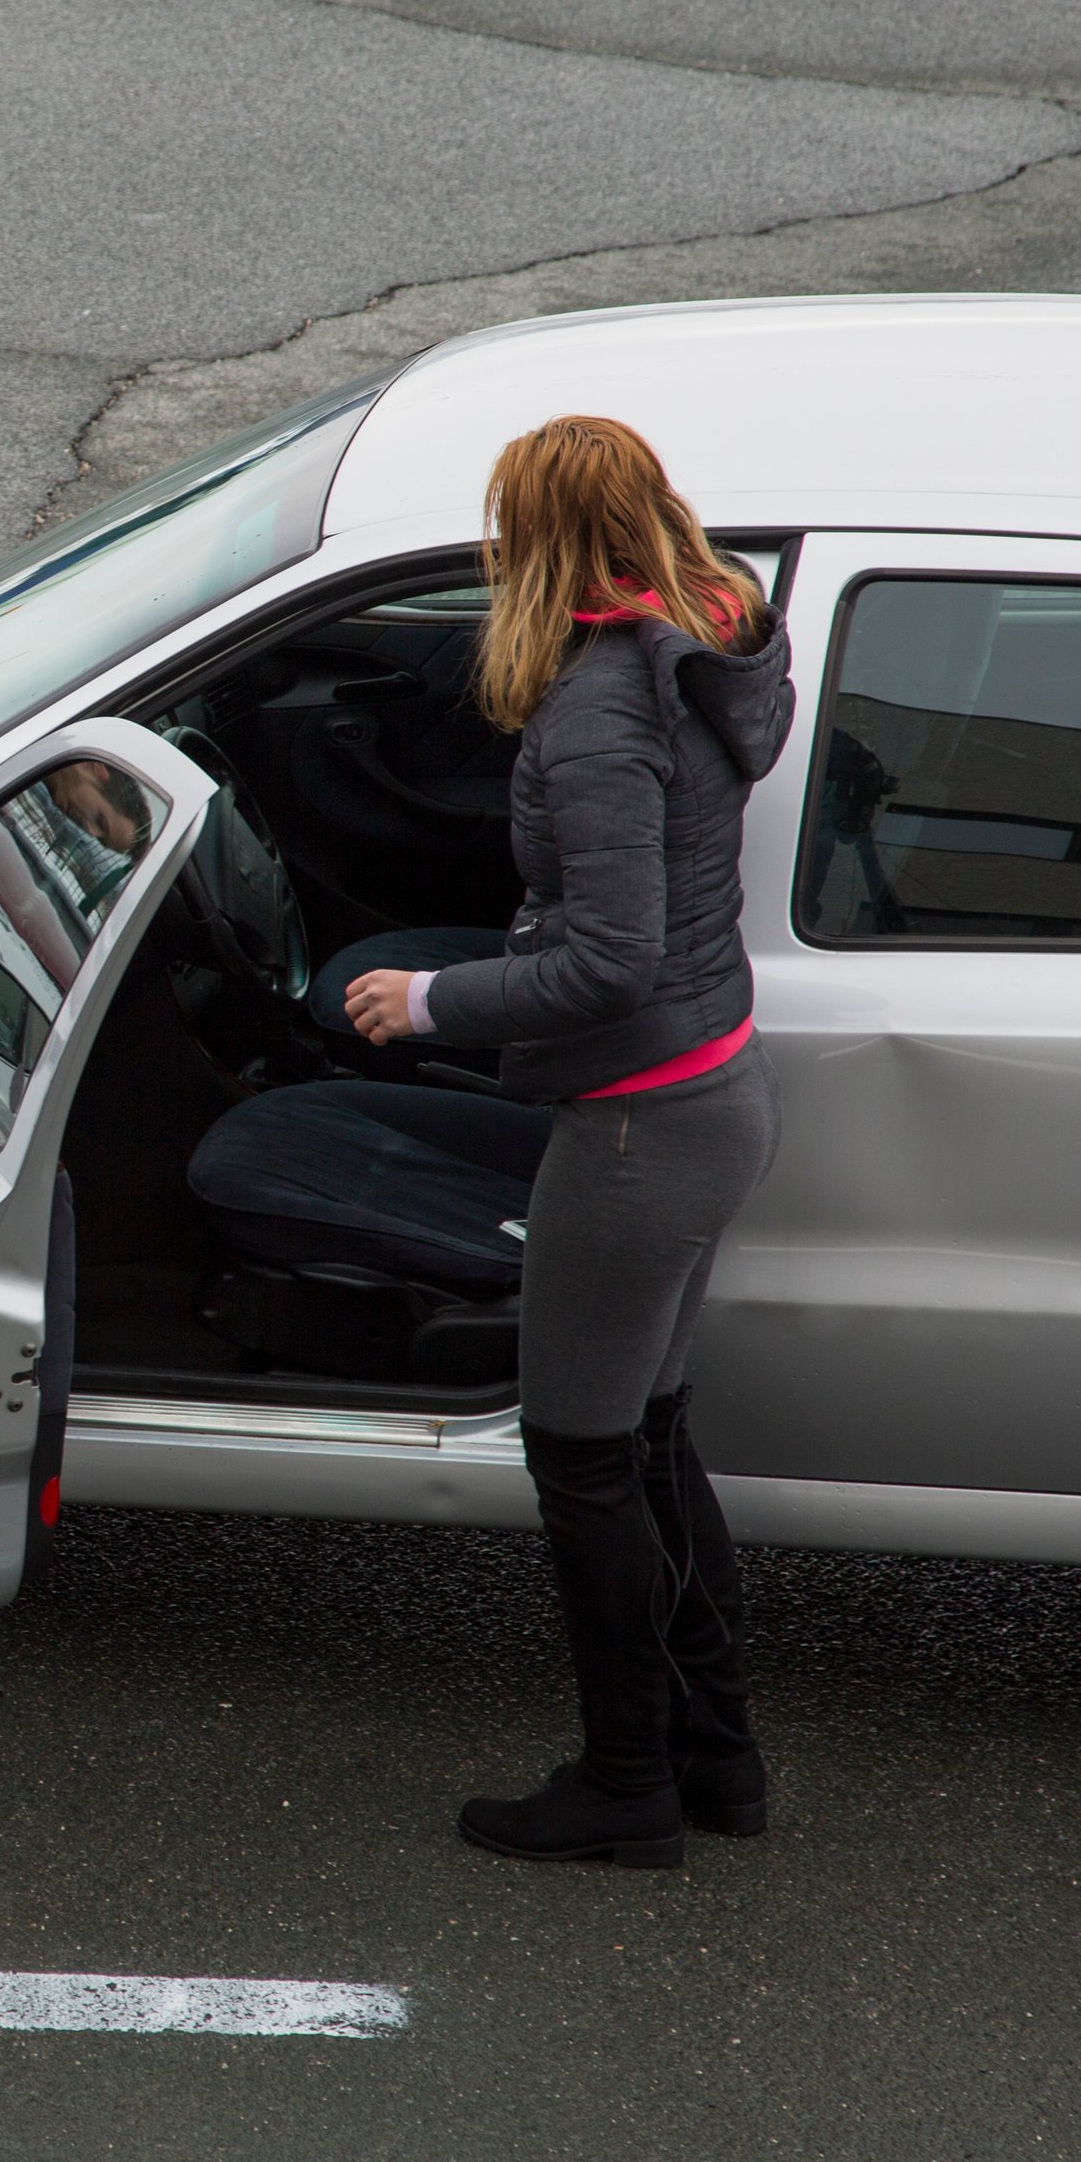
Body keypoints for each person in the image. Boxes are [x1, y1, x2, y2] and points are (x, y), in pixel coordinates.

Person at [342, 415, 793, 1870]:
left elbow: (608, 957)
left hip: (635, 1132)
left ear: (537, 540)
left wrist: (429, 1002)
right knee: (652, 1444)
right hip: (710, 1096)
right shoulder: (705, 652)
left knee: (584, 1457)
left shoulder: (603, 711)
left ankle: (625, 1788)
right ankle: (715, 1762)